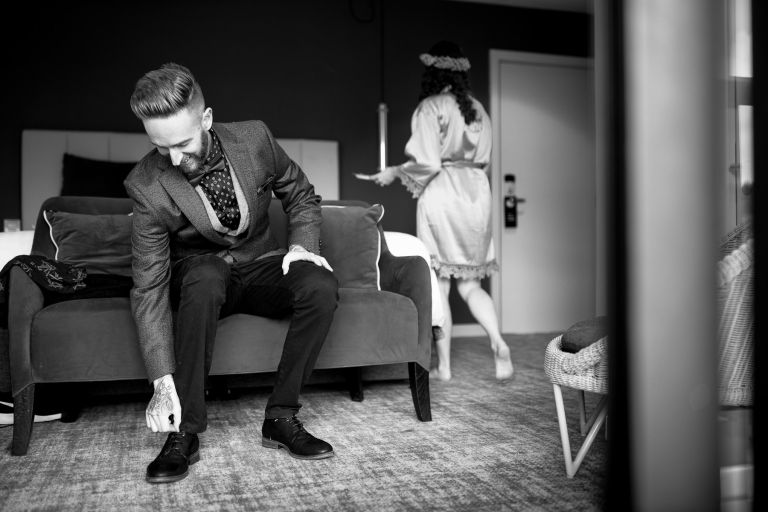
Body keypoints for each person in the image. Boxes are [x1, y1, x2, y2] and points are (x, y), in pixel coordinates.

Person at [125, 62, 339, 484]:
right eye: (160, 146)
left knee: (320, 285)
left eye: (183, 143)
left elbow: (302, 195)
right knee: (204, 277)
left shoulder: (254, 138)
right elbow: (148, 286)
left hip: (259, 265)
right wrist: (160, 380)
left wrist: (300, 248)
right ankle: (184, 434)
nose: (173, 158)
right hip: (201, 278)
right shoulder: (146, 184)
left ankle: (281, 417)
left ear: (206, 119)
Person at [358, 41, 513, 382]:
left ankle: (444, 367)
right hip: (477, 194)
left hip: (444, 193)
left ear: (432, 73)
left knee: (440, 285)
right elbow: (482, 161)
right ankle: (498, 342)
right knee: (472, 285)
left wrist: (394, 171)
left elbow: (426, 162)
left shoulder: (431, 107)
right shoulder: (478, 109)